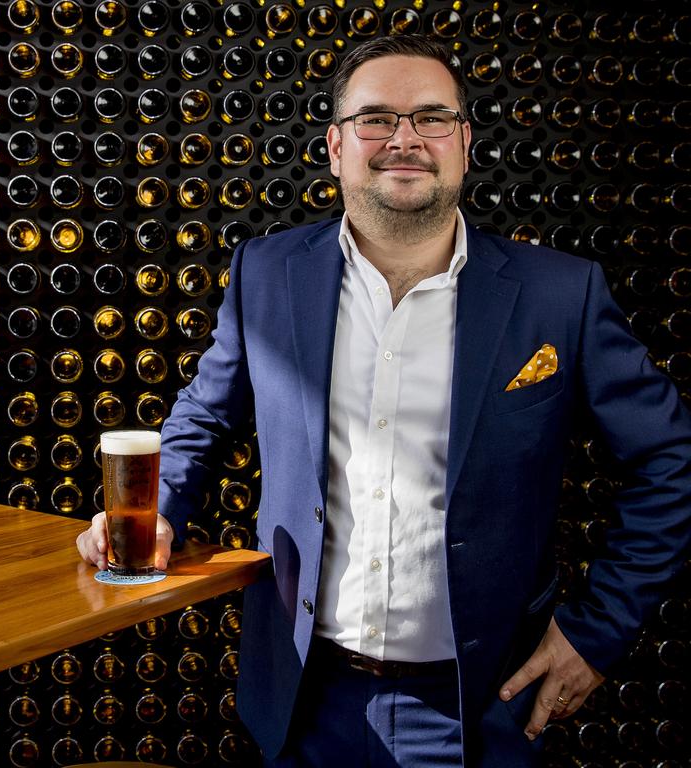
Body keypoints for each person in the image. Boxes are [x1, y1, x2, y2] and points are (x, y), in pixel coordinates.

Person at [77, 35, 691, 767]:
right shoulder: (266, 275)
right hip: (303, 695)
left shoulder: (562, 294)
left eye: (432, 117)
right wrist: (159, 513)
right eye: (375, 119)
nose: (405, 138)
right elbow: (204, 418)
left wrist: (597, 630)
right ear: (336, 147)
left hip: (477, 705)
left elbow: (670, 462)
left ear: (464, 143)